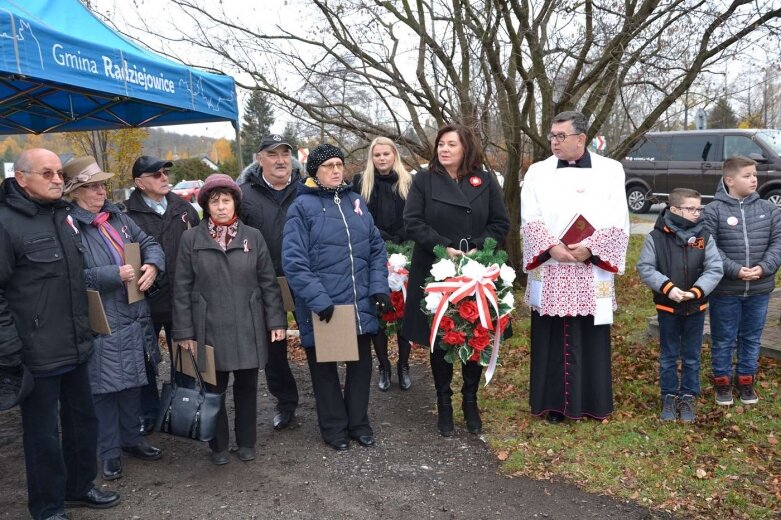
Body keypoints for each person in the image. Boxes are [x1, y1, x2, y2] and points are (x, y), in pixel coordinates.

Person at [0, 149, 120, 519]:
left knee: (83, 421)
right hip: (35, 351)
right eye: (47, 173)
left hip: (76, 344)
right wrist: (9, 349)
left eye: (59, 174)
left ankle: (79, 487)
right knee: (43, 436)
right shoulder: (6, 223)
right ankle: (48, 506)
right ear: (22, 178)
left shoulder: (63, 217)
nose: (57, 179)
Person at [520, 111, 630, 424]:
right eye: (552, 136)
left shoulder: (610, 170)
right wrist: (551, 246)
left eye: (560, 136)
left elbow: (617, 215)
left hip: (590, 267)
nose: (553, 142)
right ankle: (552, 404)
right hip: (552, 265)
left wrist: (591, 249)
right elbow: (530, 216)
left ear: (580, 138)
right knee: (551, 335)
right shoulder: (538, 172)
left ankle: (592, 403)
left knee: (590, 334)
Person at [402, 124, 510, 436]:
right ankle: (444, 402)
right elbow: (412, 221)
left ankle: (470, 400)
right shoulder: (424, 181)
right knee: (442, 337)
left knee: (473, 334)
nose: (444, 149)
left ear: (466, 149)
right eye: (441, 144)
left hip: (476, 270)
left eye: (451, 144)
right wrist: (441, 246)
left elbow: (500, 222)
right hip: (436, 270)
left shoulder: (485, 180)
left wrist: (477, 247)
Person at [63, 156, 165, 482]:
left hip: (134, 313)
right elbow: (70, 276)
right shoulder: (70, 227)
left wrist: (152, 264)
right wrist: (112, 274)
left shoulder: (117, 216)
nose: (99, 191)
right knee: (104, 389)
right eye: (91, 187)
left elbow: (148, 242)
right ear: (75, 192)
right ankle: (108, 453)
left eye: (101, 185)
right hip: (103, 319)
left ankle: (132, 438)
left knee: (134, 380)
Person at [173, 173, 287, 465]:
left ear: (235, 203)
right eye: (215, 201)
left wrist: (276, 322)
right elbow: (182, 289)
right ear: (206, 206)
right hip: (208, 325)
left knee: (248, 386)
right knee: (214, 389)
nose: (221, 206)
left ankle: (247, 441)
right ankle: (219, 445)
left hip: (248, 324)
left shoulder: (253, 237)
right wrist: (184, 331)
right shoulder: (191, 239)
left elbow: (268, 284)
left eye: (226, 200)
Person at [282, 143, 390, 451]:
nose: (336, 170)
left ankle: (358, 423)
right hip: (326, 307)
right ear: (314, 171)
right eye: (329, 165)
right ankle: (334, 428)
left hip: (359, 304)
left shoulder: (355, 202)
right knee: (324, 371)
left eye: (339, 164)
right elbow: (294, 260)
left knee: (360, 368)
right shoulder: (301, 208)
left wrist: (378, 287)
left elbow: (375, 248)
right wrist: (318, 299)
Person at [125, 155, 200, 435]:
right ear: (139, 183)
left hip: (183, 299)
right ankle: (149, 413)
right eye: (156, 175)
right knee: (145, 360)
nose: (164, 178)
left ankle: (183, 411)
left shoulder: (185, 210)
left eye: (165, 173)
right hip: (146, 302)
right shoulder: (126, 215)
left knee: (186, 357)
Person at [700, 156, 781, 406]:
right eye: (747, 175)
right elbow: (708, 247)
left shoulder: (769, 209)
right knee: (724, 338)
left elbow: (777, 243)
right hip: (726, 290)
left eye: (754, 174)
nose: (754, 179)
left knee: (751, 336)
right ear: (730, 180)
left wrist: (764, 267)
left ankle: (746, 380)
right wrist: (735, 270)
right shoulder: (713, 210)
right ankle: (722, 382)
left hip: (759, 288)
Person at [637, 188, 723, 422]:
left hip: (695, 307)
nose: (697, 213)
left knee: (692, 355)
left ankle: (688, 396)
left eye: (699, 208)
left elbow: (715, 268)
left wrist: (696, 292)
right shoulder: (656, 237)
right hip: (668, 307)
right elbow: (646, 267)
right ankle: (668, 395)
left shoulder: (705, 236)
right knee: (668, 355)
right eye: (691, 209)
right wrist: (668, 288)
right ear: (674, 210)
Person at [240, 134, 301, 430]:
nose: (280, 160)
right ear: (259, 158)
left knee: (318, 342)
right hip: (264, 283)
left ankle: (329, 400)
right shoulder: (242, 195)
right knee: (273, 348)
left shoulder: (307, 192)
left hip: (304, 280)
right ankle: (286, 402)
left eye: (285, 154)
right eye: (273, 154)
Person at [353, 136, 414, 391]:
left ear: (394, 156)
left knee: (402, 313)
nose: (381, 159)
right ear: (371, 157)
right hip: (373, 253)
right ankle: (384, 365)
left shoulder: (409, 182)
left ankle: (403, 364)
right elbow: (357, 218)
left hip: (404, 251)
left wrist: (400, 242)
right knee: (379, 311)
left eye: (386, 154)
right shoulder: (360, 182)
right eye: (377, 155)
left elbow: (415, 215)